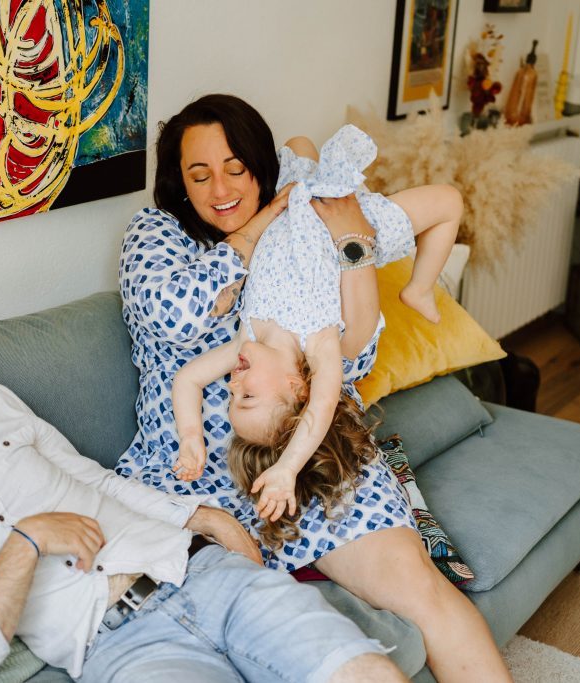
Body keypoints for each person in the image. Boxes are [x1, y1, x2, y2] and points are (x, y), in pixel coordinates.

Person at [117, 94, 512, 682]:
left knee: (420, 588)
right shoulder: (155, 234)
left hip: (311, 452)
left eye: (236, 169)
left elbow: (352, 355)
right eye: (199, 175)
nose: (220, 189)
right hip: (198, 475)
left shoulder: (301, 227)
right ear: (179, 181)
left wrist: (353, 248)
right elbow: (174, 314)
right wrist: (254, 232)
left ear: (260, 166)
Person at [0, 317, 407, 683]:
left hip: (199, 570)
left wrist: (207, 518)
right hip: (120, 647)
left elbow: (95, 479)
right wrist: (25, 543)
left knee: (362, 672)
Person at [170, 125, 459, 543]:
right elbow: (321, 407)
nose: (233, 384)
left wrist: (191, 439)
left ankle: (420, 285)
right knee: (449, 202)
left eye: (232, 396)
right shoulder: (320, 345)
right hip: (348, 220)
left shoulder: (244, 341)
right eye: (247, 396)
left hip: (292, 200)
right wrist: (286, 468)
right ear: (297, 387)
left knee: (299, 143)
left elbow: (188, 379)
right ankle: (420, 288)